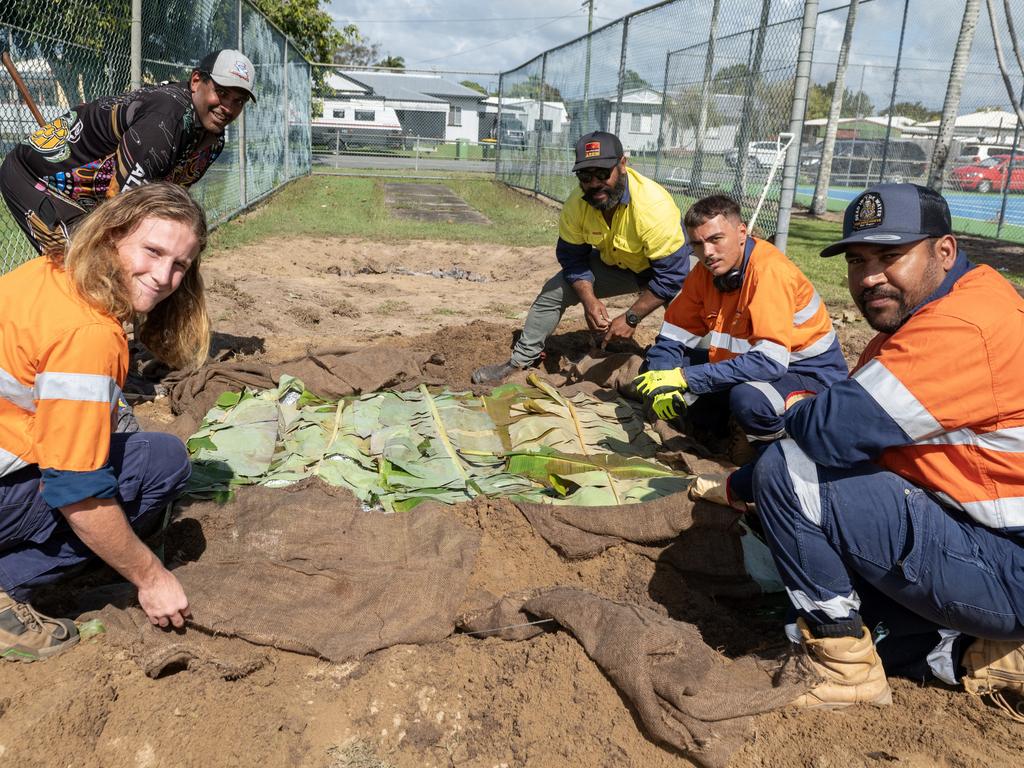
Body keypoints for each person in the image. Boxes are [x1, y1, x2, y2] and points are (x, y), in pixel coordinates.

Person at [753, 183, 1024, 710]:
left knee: (788, 470)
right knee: (808, 604)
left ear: (943, 251)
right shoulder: (951, 300)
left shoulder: (963, 324)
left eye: (890, 255)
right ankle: (973, 652)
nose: (869, 275)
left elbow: (830, 432)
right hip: (988, 539)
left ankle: (847, 672)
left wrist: (785, 410)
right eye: (858, 260)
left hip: (1009, 560)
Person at [0, 182, 210, 661]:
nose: (162, 276)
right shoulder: (90, 335)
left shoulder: (51, 273)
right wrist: (151, 578)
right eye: (152, 251)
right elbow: (77, 491)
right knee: (162, 463)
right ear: (113, 235)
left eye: (179, 265)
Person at [632, 194, 847, 506]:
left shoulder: (769, 272)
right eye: (697, 244)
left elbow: (771, 363)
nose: (707, 253)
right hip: (746, 366)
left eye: (716, 239)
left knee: (747, 399)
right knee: (655, 374)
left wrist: (686, 379)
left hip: (807, 377)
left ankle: (774, 464)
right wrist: (663, 378)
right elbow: (672, 339)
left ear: (742, 233)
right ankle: (724, 429)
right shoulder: (703, 274)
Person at [471, 131, 691, 385]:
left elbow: (672, 275)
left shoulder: (652, 206)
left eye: (602, 174)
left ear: (622, 165)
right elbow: (572, 258)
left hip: (664, 268)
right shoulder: (577, 205)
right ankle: (519, 362)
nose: (594, 183)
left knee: (687, 305)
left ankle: (684, 368)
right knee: (554, 291)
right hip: (618, 265)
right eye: (585, 176)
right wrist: (589, 299)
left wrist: (631, 317)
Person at [1, 49, 256, 253]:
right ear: (196, 81)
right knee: (83, 269)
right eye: (221, 93)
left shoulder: (211, 141)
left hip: (90, 199)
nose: (228, 108)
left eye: (238, 101)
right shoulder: (164, 123)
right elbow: (121, 206)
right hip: (36, 178)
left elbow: (165, 198)